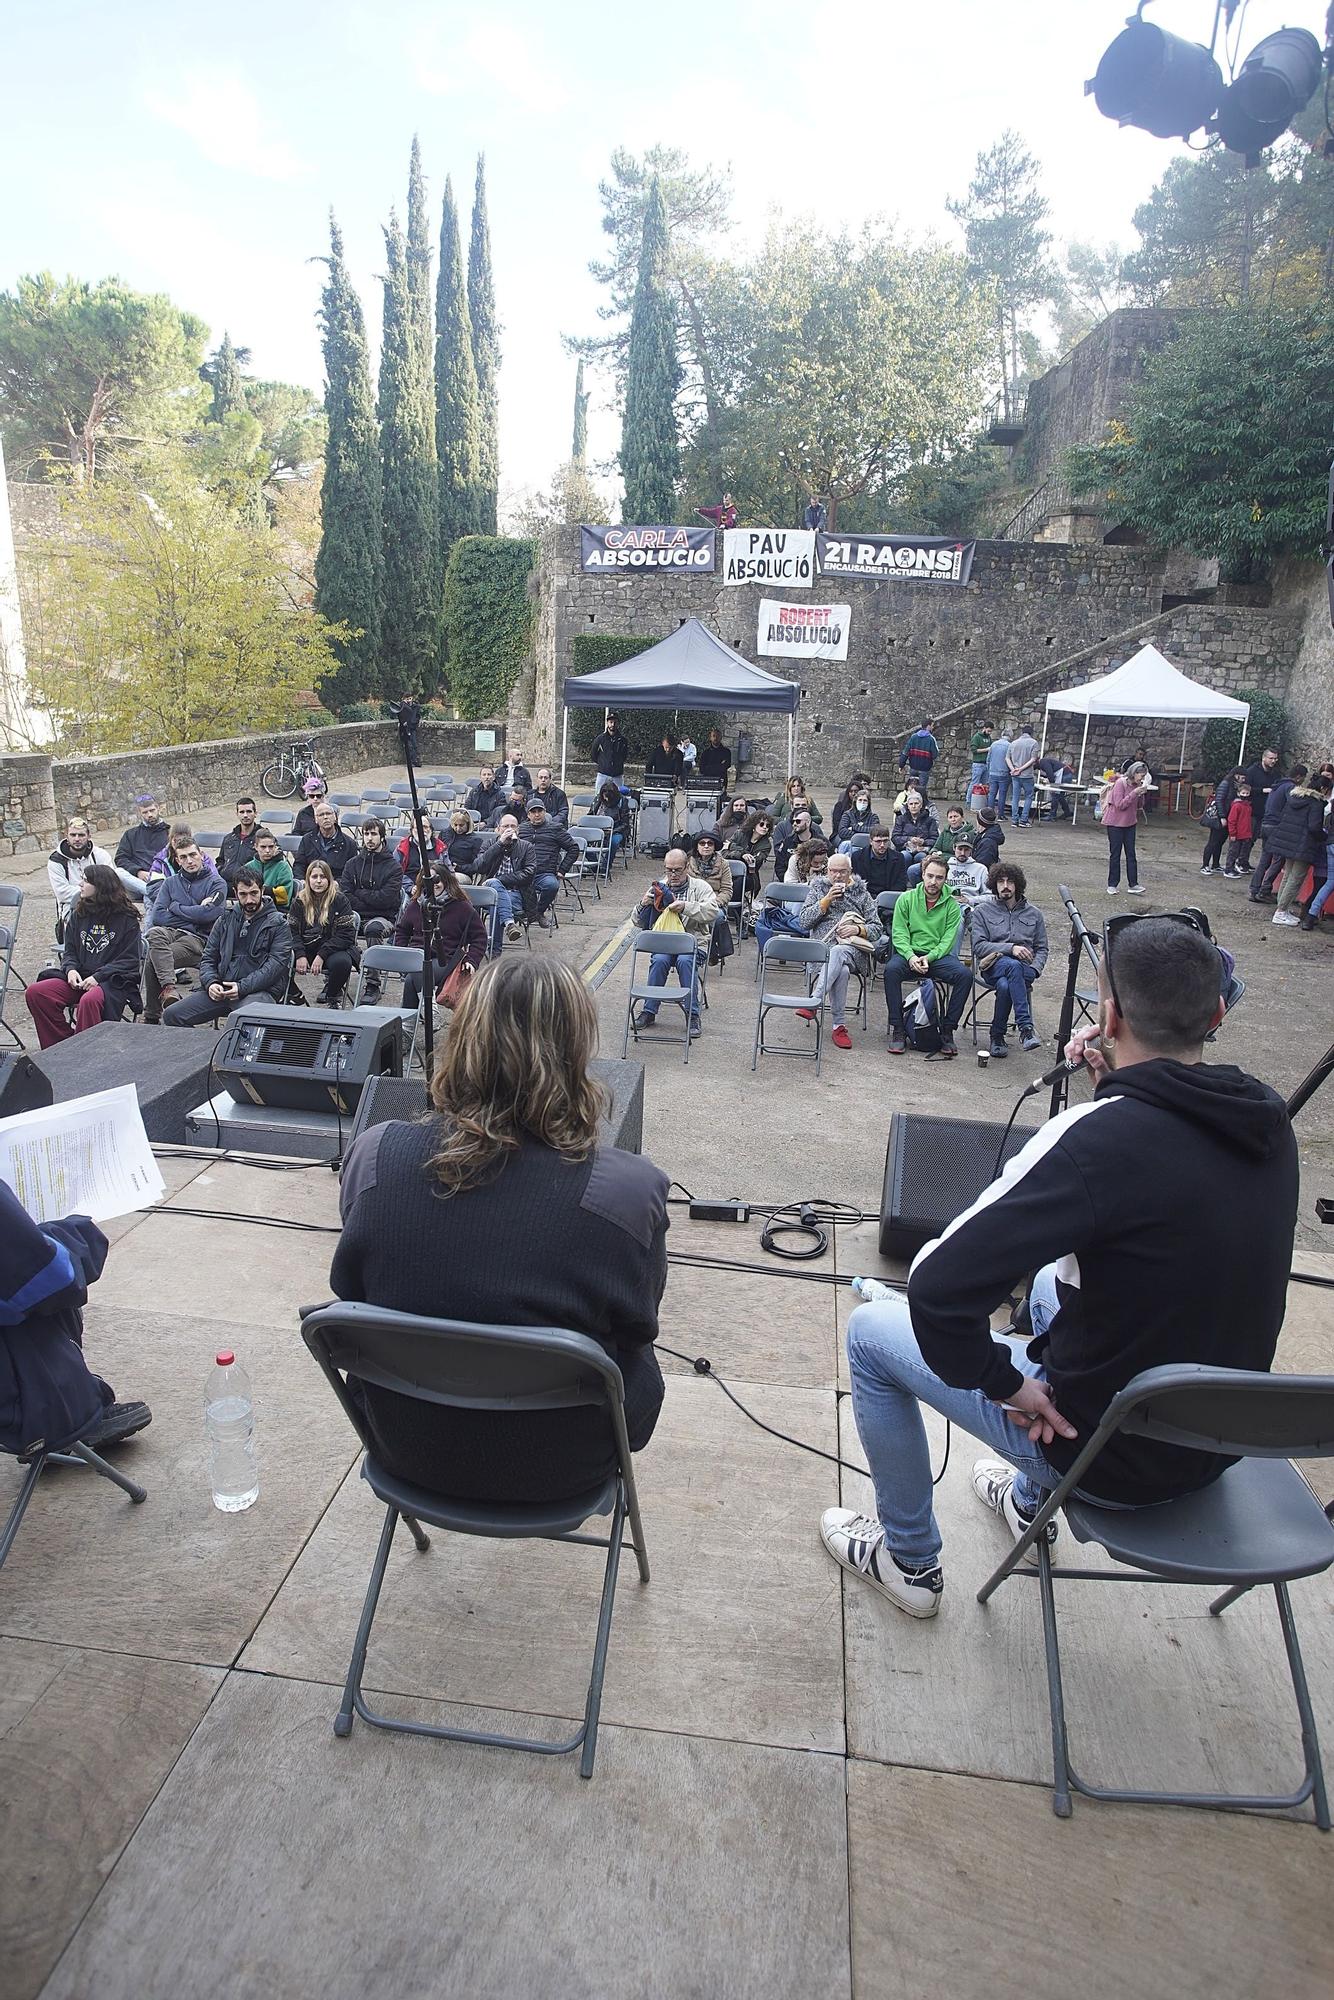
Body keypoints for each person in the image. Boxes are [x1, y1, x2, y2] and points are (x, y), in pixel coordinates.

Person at [822, 914, 1297, 1619]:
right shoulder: (1267, 1121)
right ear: (1218, 1012)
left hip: (1104, 1457)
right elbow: (1161, 1185)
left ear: (1107, 1016)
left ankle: (910, 1562)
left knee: (871, 1335)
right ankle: (1024, 1501)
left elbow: (936, 1287)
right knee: (1049, 1284)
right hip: (1215, 1442)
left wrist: (1006, 1382)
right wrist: (1120, 1093)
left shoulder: (1093, 1140)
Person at [331, 956, 667, 1504]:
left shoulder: (374, 1155)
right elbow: (637, 1327)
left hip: (405, 1451)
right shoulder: (627, 1191)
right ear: (573, 1053)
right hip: (563, 1468)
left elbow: (351, 1294)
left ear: (462, 1040)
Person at [0, 1177, 151, 1460]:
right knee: (51, 1262)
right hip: (12, 1402)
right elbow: (53, 1280)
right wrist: (81, 1234)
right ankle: (67, 1406)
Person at [26, 866, 143, 1045]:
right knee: (37, 992)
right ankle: (60, 1045)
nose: (80, 884)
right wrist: (70, 970)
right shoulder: (79, 914)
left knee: (89, 1000)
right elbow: (70, 952)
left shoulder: (127, 919)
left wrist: (98, 977)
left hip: (111, 982)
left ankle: (84, 1051)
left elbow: (129, 960)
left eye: (86, 880)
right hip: (79, 978)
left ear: (101, 886)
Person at [163, 869, 290, 1026]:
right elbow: (208, 958)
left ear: (262, 890)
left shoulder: (279, 923)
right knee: (172, 1015)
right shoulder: (224, 919)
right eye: (243, 894)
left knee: (245, 1020)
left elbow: (275, 967)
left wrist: (242, 987)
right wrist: (211, 983)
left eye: (254, 893)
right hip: (222, 989)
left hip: (259, 991)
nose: (249, 899)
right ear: (235, 893)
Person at [883, 854, 970, 1059]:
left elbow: (948, 940)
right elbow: (899, 933)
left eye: (939, 878)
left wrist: (928, 958)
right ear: (922, 875)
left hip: (936, 957)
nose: (933, 882)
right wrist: (911, 957)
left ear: (945, 879)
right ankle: (898, 1028)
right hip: (910, 953)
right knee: (891, 971)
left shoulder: (952, 905)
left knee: (965, 976)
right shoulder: (906, 899)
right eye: (930, 876)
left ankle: (947, 1031)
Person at [797, 853, 883, 1050]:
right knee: (840, 970)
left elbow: (877, 928)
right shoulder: (818, 888)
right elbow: (803, 922)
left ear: (850, 873)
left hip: (854, 950)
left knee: (838, 952)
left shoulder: (862, 893)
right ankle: (839, 1026)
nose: (837, 876)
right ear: (827, 871)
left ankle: (814, 1001)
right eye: (833, 871)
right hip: (822, 949)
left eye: (842, 872)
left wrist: (858, 929)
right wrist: (826, 901)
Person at [633, 848, 716, 1039]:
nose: (673, 874)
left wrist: (686, 907)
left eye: (677, 870)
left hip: (694, 944)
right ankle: (649, 1011)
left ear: (687, 867)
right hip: (665, 945)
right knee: (660, 960)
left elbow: (713, 912)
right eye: (669, 870)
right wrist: (642, 904)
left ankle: (692, 1014)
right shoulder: (659, 888)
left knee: (686, 961)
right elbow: (637, 921)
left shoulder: (701, 887)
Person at [970, 862, 1048, 1058]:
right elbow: (978, 946)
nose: (1005, 885)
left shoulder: (1034, 914)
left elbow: (1042, 948)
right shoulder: (982, 912)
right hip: (992, 965)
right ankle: (1025, 1029)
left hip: (1025, 970)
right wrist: (1010, 948)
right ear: (994, 884)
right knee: (1012, 966)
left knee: (1006, 984)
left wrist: (1036, 969)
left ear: (1017, 884)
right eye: (1000, 881)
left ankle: (997, 1036)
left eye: (1010, 881)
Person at [142, 840, 227, 1021]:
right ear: (177, 860)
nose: (189, 860)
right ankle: (169, 988)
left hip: (198, 939)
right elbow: (158, 916)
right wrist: (195, 912)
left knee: (154, 957)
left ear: (201, 855)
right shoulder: (170, 883)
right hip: (170, 933)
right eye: (183, 857)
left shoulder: (216, 883)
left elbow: (210, 914)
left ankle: (151, 1014)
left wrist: (175, 907)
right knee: (154, 933)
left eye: (193, 855)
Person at [393, 861, 487, 1010]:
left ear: (446, 881)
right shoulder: (416, 905)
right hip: (417, 955)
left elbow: (479, 937)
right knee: (414, 974)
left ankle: (423, 1013)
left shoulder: (461, 906)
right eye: (428, 880)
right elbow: (402, 931)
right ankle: (418, 1018)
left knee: (417, 972)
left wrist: (472, 960)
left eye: (437, 880)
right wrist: (403, 951)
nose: (433, 884)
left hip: (446, 960)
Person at [288, 858, 358, 1005]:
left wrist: (322, 954)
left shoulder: (340, 900)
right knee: (278, 958)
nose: (318, 881)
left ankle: (332, 996)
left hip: (331, 948)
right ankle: (294, 994)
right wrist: (300, 954)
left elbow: (346, 935)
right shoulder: (299, 901)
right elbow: (291, 932)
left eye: (323, 877)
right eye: (314, 877)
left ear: (329, 879)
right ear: (308, 879)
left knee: (343, 963)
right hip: (305, 947)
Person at [1268, 770, 1329, 926]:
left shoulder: (1295, 796)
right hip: (1303, 845)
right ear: (1323, 789)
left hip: (1288, 841)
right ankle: (1281, 912)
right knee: (1296, 879)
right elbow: (1314, 827)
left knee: (1288, 875)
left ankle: (1281, 908)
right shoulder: (1316, 803)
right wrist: (1324, 836)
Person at [340, 818, 403, 959]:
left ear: (382, 837)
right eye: (366, 833)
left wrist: (359, 892)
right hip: (354, 915)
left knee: (374, 928)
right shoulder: (352, 864)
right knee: (334, 924)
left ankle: (373, 980)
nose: (369, 838)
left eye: (373, 834)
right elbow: (345, 896)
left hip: (383, 917)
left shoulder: (394, 867)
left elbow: (385, 900)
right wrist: (369, 899)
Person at [1247, 764, 1305, 905]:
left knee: (1265, 859)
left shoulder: (1277, 785)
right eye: (1303, 778)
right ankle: (1264, 890)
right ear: (1298, 777)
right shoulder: (1289, 787)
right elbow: (1293, 804)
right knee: (1279, 860)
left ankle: (1254, 889)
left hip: (1266, 824)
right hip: (1276, 826)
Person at [475, 813, 536, 943]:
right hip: (488, 892)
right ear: (498, 829)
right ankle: (509, 924)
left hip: (516, 893)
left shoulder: (526, 847)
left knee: (496, 903)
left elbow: (529, 873)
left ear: (518, 830)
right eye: (505, 826)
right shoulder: (489, 844)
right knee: (496, 898)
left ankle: (495, 952)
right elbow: (479, 866)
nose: (509, 829)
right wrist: (499, 844)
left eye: (513, 826)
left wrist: (500, 880)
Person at [48, 819, 113, 935]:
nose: (77, 839)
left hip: (102, 904)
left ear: (89, 836)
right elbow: (62, 893)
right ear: (66, 836)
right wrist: (94, 891)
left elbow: (111, 884)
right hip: (72, 909)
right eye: (73, 835)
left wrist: (90, 892)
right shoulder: (56, 861)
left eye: (81, 835)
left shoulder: (100, 855)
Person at [523, 798, 579, 928]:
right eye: (533, 812)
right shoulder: (522, 829)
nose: (537, 814)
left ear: (545, 812)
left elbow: (573, 848)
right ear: (528, 814)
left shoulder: (555, 829)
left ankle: (538, 912)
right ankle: (524, 914)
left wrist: (562, 869)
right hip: (524, 873)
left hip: (545, 872)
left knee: (552, 885)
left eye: (539, 811)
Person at [1101, 761, 1150, 895]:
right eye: (1141, 775)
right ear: (1134, 773)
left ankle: (1133, 884)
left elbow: (1139, 805)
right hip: (1115, 823)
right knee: (1115, 854)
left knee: (1131, 854)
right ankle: (1112, 884)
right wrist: (1134, 793)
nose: (1142, 778)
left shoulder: (1137, 786)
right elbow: (1120, 805)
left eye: (1144, 776)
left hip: (1130, 823)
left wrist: (1141, 793)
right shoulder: (1120, 783)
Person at [689, 830, 735, 965]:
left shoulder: (723, 864)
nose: (706, 846)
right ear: (697, 846)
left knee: (718, 917)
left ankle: (716, 952)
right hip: (692, 902)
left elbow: (727, 890)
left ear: (715, 847)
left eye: (710, 843)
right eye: (702, 843)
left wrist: (714, 903)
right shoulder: (687, 862)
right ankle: (711, 951)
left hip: (714, 902)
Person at [113, 794, 168, 901]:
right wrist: (138, 871)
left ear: (158, 808)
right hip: (139, 882)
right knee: (118, 872)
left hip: (163, 879)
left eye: (152, 810)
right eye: (145, 812)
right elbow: (121, 859)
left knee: (149, 900)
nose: (150, 815)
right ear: (140, 813)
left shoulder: (170, 833)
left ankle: (152, 893)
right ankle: (153, 892)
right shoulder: (131, 835)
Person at [295, 801, 357, 884]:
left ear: (335, 817)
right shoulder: (306, 840)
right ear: (316, 820)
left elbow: (352, 872)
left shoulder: (349, 844)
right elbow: (299, 865)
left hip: (336, 886)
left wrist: (338, 883)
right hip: (311, 884)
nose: (325, 817)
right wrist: (302, 881)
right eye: (321, 815)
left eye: (328, 814)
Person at [1201, 767, 1245, 876]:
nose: (1244, 780)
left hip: (1229, 817)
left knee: (1220, 842)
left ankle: (1215, 864)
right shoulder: (1226, 784)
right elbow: (1219, 800)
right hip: (1221, 817)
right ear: (1236, 775)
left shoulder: (1235, 786)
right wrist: (1222, 816)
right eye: (1242, 778)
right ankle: (1205, 865)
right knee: (1213, 841)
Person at [1241, 747, 1282, 858]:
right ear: (1263, 758)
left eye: (1275, 759)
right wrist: (1262, 790)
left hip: (1265, 811)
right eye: (1271, 758)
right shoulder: (1252, 771)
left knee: (1254, 838)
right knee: (1246, 838)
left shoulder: (1275, 774)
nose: (1273, 761)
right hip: (1251, 810)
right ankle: (1239, 861)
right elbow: (1244, 789)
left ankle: (1244, 860)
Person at [144, 820, 195, 909]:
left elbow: (214, 880)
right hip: (171, 903)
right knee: (150, 903)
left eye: (184, 840)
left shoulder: (200, 857)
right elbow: (154, 888)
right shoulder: (160, 861)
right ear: (170, 840)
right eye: (176, 841)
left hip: (197, 900)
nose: (180, 844)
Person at [217, 797, 261, 888]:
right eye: (241, 812)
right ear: (237, 814)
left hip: (250, 884)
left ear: (255, 813)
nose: (245, 815)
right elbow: (220, 860)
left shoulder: (263, 837)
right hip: (226, 883)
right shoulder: (229, 838)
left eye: (249, 811)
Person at [853, 826, 907, 898]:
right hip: (864, 898)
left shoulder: (899, 858)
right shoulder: (857, 857)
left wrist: (885, 897)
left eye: (885, 841)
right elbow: (855, 883)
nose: (882, 845)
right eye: (878, 841)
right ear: (871, 841)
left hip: (888, 898)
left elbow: (901, 884)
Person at [249, 830, 294, 910]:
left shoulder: (283, 867)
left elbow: (285, 896)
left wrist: (263, 890)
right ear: (256, 847)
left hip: (276, 910)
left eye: (271, 847)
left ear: (275, 846)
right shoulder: (248, 867)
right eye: (263, 847)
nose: (267, 851)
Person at [1006, 723, 1039, 828]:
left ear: (1022, 732)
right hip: (1027, 775)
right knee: (1029, 796)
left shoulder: (1013, 743)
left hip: (1015, 775)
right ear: (1031, 733)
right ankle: (1023, 820)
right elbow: (1033, 759)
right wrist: (1021, 769)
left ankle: (1014, 820)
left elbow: (1007, 758)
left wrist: (1013, 769)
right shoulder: (1034, 743)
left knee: (1015, 797)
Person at [736, 810, 775, 898]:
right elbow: (725, 852)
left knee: (739, 882)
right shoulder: (740, 834)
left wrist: (734, 848)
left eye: (767, 825)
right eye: (762, 824)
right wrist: (742, 855)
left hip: (750, 875)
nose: (765, 827)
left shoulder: (766, 845)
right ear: (754, 824)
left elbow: (755, 860)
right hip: (729, 872)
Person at [944, 833, 988, 909]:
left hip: (973, 908)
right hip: (949, 906)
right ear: (954, 848)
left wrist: (969, 900)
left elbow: (991, 897)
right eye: (960, 849)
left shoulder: (981, 869)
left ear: (971, 850)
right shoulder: (945, 867)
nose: (963, 853)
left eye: (966, 850)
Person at [440, 806, 486, 878]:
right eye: (455, 825)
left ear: (468, 824)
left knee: (449, 879)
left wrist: (459, 868)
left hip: (462, 873)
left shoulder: (476, 840)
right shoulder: (444, 833)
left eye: (461, 825)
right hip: (443, 869)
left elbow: (477, 866)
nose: (458, 828)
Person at [898, 719, 939, 797]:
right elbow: (935, 755)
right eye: (932, 725)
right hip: (924, 769)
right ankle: (920, 806)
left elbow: (905, 752)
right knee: (921, 790)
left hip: (913, 767)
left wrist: (901, 765)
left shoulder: (913, 737)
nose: (933, 727)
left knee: (911, 788)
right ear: (928, 726)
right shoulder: (931, 739)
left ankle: (910, 804)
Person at [594, 779, 632, 860]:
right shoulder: (598, 800)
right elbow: (590, 815)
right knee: (582, 841)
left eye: (608, 798)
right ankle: (594, 865)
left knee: (613, 842)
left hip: (616, 830)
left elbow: (625, 824)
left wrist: (612, 832)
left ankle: (605, 866)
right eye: (604, 797)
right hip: (597, 829)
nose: (606, 800)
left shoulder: (622, 802)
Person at [1223, 783, 1254, 878]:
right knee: (1233, 852)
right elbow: (1232, 820)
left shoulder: (1248, 806)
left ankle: (1235, 867)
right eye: (1243, 793)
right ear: (1238, 793)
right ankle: (1228, 869)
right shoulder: (1237, 806)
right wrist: (1232, 833)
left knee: (1242, 852)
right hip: (1237, 834)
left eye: (1247, 793)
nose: (1245, 795)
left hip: (1245, 834)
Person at [592, 713, 629, 781]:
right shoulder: (600, 739)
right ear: (607, 723)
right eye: (611, 722)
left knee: (618, 791)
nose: (613, 724)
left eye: (615, 722)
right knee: (599, 792)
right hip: (602, 774)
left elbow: (624, 755)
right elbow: (593, 755)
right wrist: (603, 764)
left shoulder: (623, 740)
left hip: (617, 775)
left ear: (618, 723)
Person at [985, 727, 1012, 818]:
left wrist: (989, 770)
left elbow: (988, 759)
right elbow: (1010, 760)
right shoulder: (1009, 745)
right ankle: (1000, 815)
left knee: (992, 794)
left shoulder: (993, 744)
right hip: (1003, 773)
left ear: (1002, 734)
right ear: (1010, 736)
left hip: (992, 772)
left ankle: (989, 814)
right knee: (1002, 794)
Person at [293, 775, 329, 841]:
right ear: (308, 798)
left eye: (318, 796)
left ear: (323, 797)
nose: (315, 799)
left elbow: (333, 833)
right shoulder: (303, 813)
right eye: (312, 796)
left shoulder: (329, 812)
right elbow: (296, 832)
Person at [391, 692, 422, 767]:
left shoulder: (416, 706)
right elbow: (399, 714)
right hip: (406, 728)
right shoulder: (403, 705)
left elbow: (418, 715)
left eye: (410, 698)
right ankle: (411, 761)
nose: (409, 700)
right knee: (409, 746)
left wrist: (416, 722)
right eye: (407, 699)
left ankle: (415, 760)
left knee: (414, 744)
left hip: (412, 727)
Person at [966, 721, 993, 805]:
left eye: (990, 731)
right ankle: (969, 800)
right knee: (974, 783)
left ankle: (982, 802)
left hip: (986, 764)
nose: (989, 733)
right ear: (984, 728)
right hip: (978, 764)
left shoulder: (989, 738)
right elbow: (974, 750)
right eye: (988, 731)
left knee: (985, 784)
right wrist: (986, 749)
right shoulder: (976, 737)